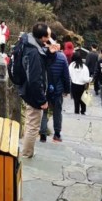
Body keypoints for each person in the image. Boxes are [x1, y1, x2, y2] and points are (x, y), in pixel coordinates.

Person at [18, 22, 51, 158]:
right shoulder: (34, 52)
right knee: (33, 125)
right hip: (32, 93)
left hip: (26, 88)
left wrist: (50, 52)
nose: (49, 36)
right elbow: (35, 79)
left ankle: (27, 150)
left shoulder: (29, 43)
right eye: (48, 34)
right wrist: (42, 100)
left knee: (29, 122)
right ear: (43, 37)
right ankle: (26, 154)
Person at [40, 40, 70, 143]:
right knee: (57, 111)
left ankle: (42, 135)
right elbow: (66, 76)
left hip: (44, 88)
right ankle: (57, 134)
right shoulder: (62, 57)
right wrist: (67, 90)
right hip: (58, 89)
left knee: (44, 111)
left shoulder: (41, 55)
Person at [69, 48, 91, 114]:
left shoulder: (71, 65)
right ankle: (83, 111)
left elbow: (69, 74)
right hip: (82, 85)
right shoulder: (84, 67)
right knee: (83, 99)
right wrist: (90, 79)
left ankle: (76, 112)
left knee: (76, 100)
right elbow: (86, 78)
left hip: (74, 84)